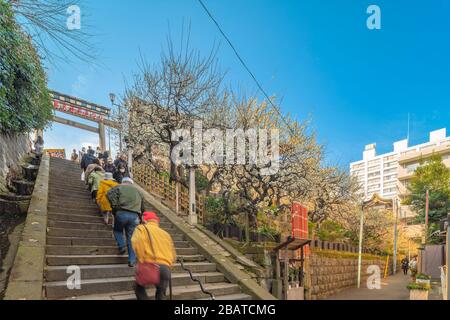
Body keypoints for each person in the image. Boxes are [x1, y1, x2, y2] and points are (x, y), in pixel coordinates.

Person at [132, 211, 176, 300]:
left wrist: (141, 259)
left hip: (150, 264)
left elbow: (136, 242)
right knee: (161, 294)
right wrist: (169, 265)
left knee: (139, 289)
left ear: (144, 220)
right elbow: (173, 252)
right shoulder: (166, 234)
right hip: (165, 267)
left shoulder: (141, 228)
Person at [107, 178, 145, 267]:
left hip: (121, 213)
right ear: (131, 183)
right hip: (135, 216)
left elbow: (109, 194)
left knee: (117, 230)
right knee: (132, 238)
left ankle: (121, 245)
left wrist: (115, 206)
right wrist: (141, 214)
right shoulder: (138, 191)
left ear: (123, 182)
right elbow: (143, 205)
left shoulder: (118, 187)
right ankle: (132, 260)